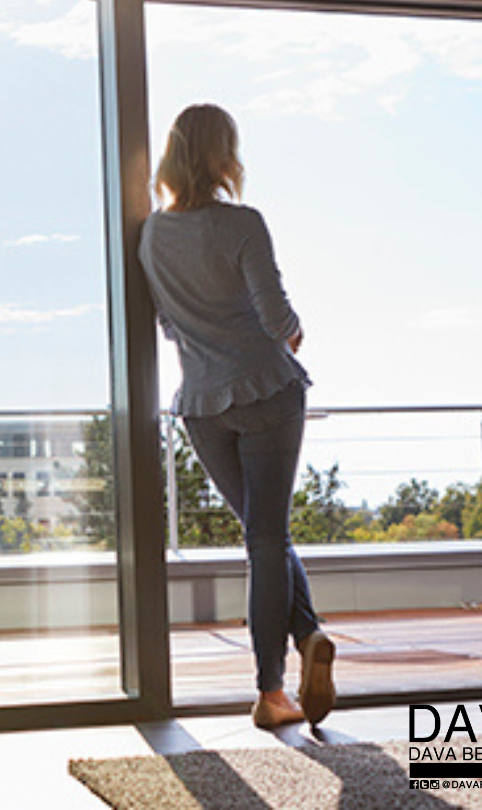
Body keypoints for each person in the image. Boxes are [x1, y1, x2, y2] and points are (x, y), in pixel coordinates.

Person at [139, 103, 335, 729]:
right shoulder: (244, 222)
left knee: (262, 534)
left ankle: (305, 646)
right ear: (225, 155)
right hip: (267, 390)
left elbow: (167, 323)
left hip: (200, 403)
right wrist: (295, 333)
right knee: (267, 536)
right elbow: (276, 314)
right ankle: (270, 689)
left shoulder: (150, 236)